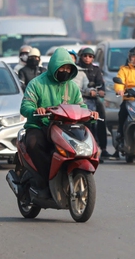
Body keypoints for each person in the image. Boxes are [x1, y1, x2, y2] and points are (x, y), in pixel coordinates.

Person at [19, 48, 94, 189]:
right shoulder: (37, 83)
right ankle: (44, 182)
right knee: (35, 144)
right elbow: (25, 106)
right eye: (62, 68)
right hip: (39, 126)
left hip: (66, 128)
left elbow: (81, 106)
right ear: (54, 67)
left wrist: (90, 113)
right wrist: (35, 110)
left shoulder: (72, 86)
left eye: (68, 68)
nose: (65, 71)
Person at [76, 47, 114, 159]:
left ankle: (103, 148)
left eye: (90, 56)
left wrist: (100, 91)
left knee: (100, 119)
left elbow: (101, 85)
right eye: (85, 56)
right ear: (81, 57)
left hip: (92, 99)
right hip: (78, 100)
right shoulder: (76, 69)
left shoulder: (96, 70)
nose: (87, 58)